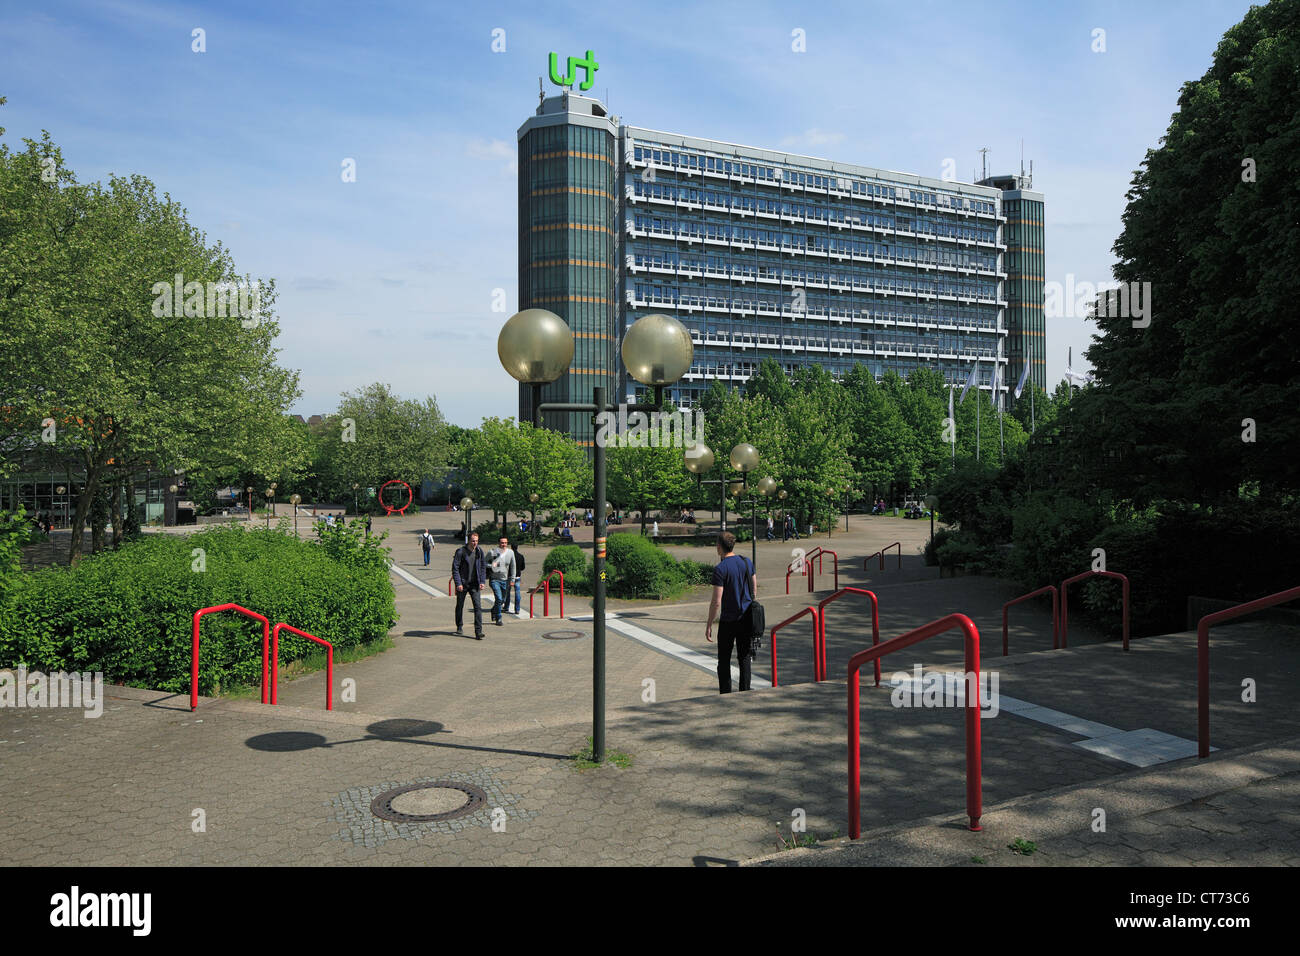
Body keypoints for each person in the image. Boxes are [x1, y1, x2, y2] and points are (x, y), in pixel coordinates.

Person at [705, 531, 757, 694]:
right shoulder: (747, 562)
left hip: (728, 621)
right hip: (747, 618)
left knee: (724, 660)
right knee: (744, 658)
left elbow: (716, 601)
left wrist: (709, 623)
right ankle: (745, 692)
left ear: (719, 547)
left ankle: (726, 694)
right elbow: (754, 589)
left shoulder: (720, 569)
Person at [451, 532, 488, 639]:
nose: (475, 543)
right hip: (463, 584)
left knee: (478, 607)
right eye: (473, 541)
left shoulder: (479, 551)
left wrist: (482, 581)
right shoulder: (461, 552)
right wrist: (458, 583)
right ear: (468, 540)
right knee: (460, 605)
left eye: (476, 541)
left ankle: (478, 631)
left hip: (474, 584)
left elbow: (482, 567)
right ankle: (459, 626)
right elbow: (455, 568)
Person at [486, 536, 516, 626]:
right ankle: (498, 618)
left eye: (505, 543)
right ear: (499, 543)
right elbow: (483, 562)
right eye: (502, 543)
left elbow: (513, 566)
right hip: (494, 579)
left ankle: (494, 610)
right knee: (498, 598)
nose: (504, 545)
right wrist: (492, 565)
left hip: (505, 580)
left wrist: (513, 579)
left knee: (502, 600)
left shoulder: (510, 553)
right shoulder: (492, 552)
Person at [506, 542, 524, 614]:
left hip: (509, 576)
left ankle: (506, 606)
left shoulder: (509, 556)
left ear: (511, 547)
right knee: (517, 593)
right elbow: (523, 567)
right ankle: (517, 609)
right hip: (517, 576)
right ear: (517, 547)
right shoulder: (521, 556)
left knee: (507, 592)